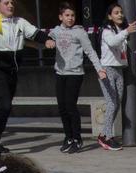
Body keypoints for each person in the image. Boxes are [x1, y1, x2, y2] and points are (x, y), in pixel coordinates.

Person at [0, 0, 54, 158]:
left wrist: (47, 40)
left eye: (11, 3)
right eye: (6, 3)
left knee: (3, 108)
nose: (10, 5)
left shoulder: (20, 22)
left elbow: (36, 33)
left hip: (12, 70)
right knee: (4, 105)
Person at [51, 1, 105, 153]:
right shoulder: (56, 31)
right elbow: (43, 38)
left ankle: (77, 138)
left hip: (75, 74)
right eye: (67, 15)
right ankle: (68, 137)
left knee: (70, 105)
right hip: (60, 73)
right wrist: (44, 41)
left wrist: (99, 69)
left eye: (72, 15)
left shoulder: (80, 32)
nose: (70, 18)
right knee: (62, 107)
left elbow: (90, 51)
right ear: (60, 17)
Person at [96, 3, 135, 151]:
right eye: (116, 12)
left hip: (119, 69)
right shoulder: (107, 30)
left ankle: (104, 134)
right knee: (112, 102)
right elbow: (112, 42)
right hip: (107, 69)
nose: (120, 15)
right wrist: (126, 31)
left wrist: (125, 32)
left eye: (121, 12)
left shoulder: (120, 30)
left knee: (116, 103)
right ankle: (107, 137)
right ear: (109, 16)